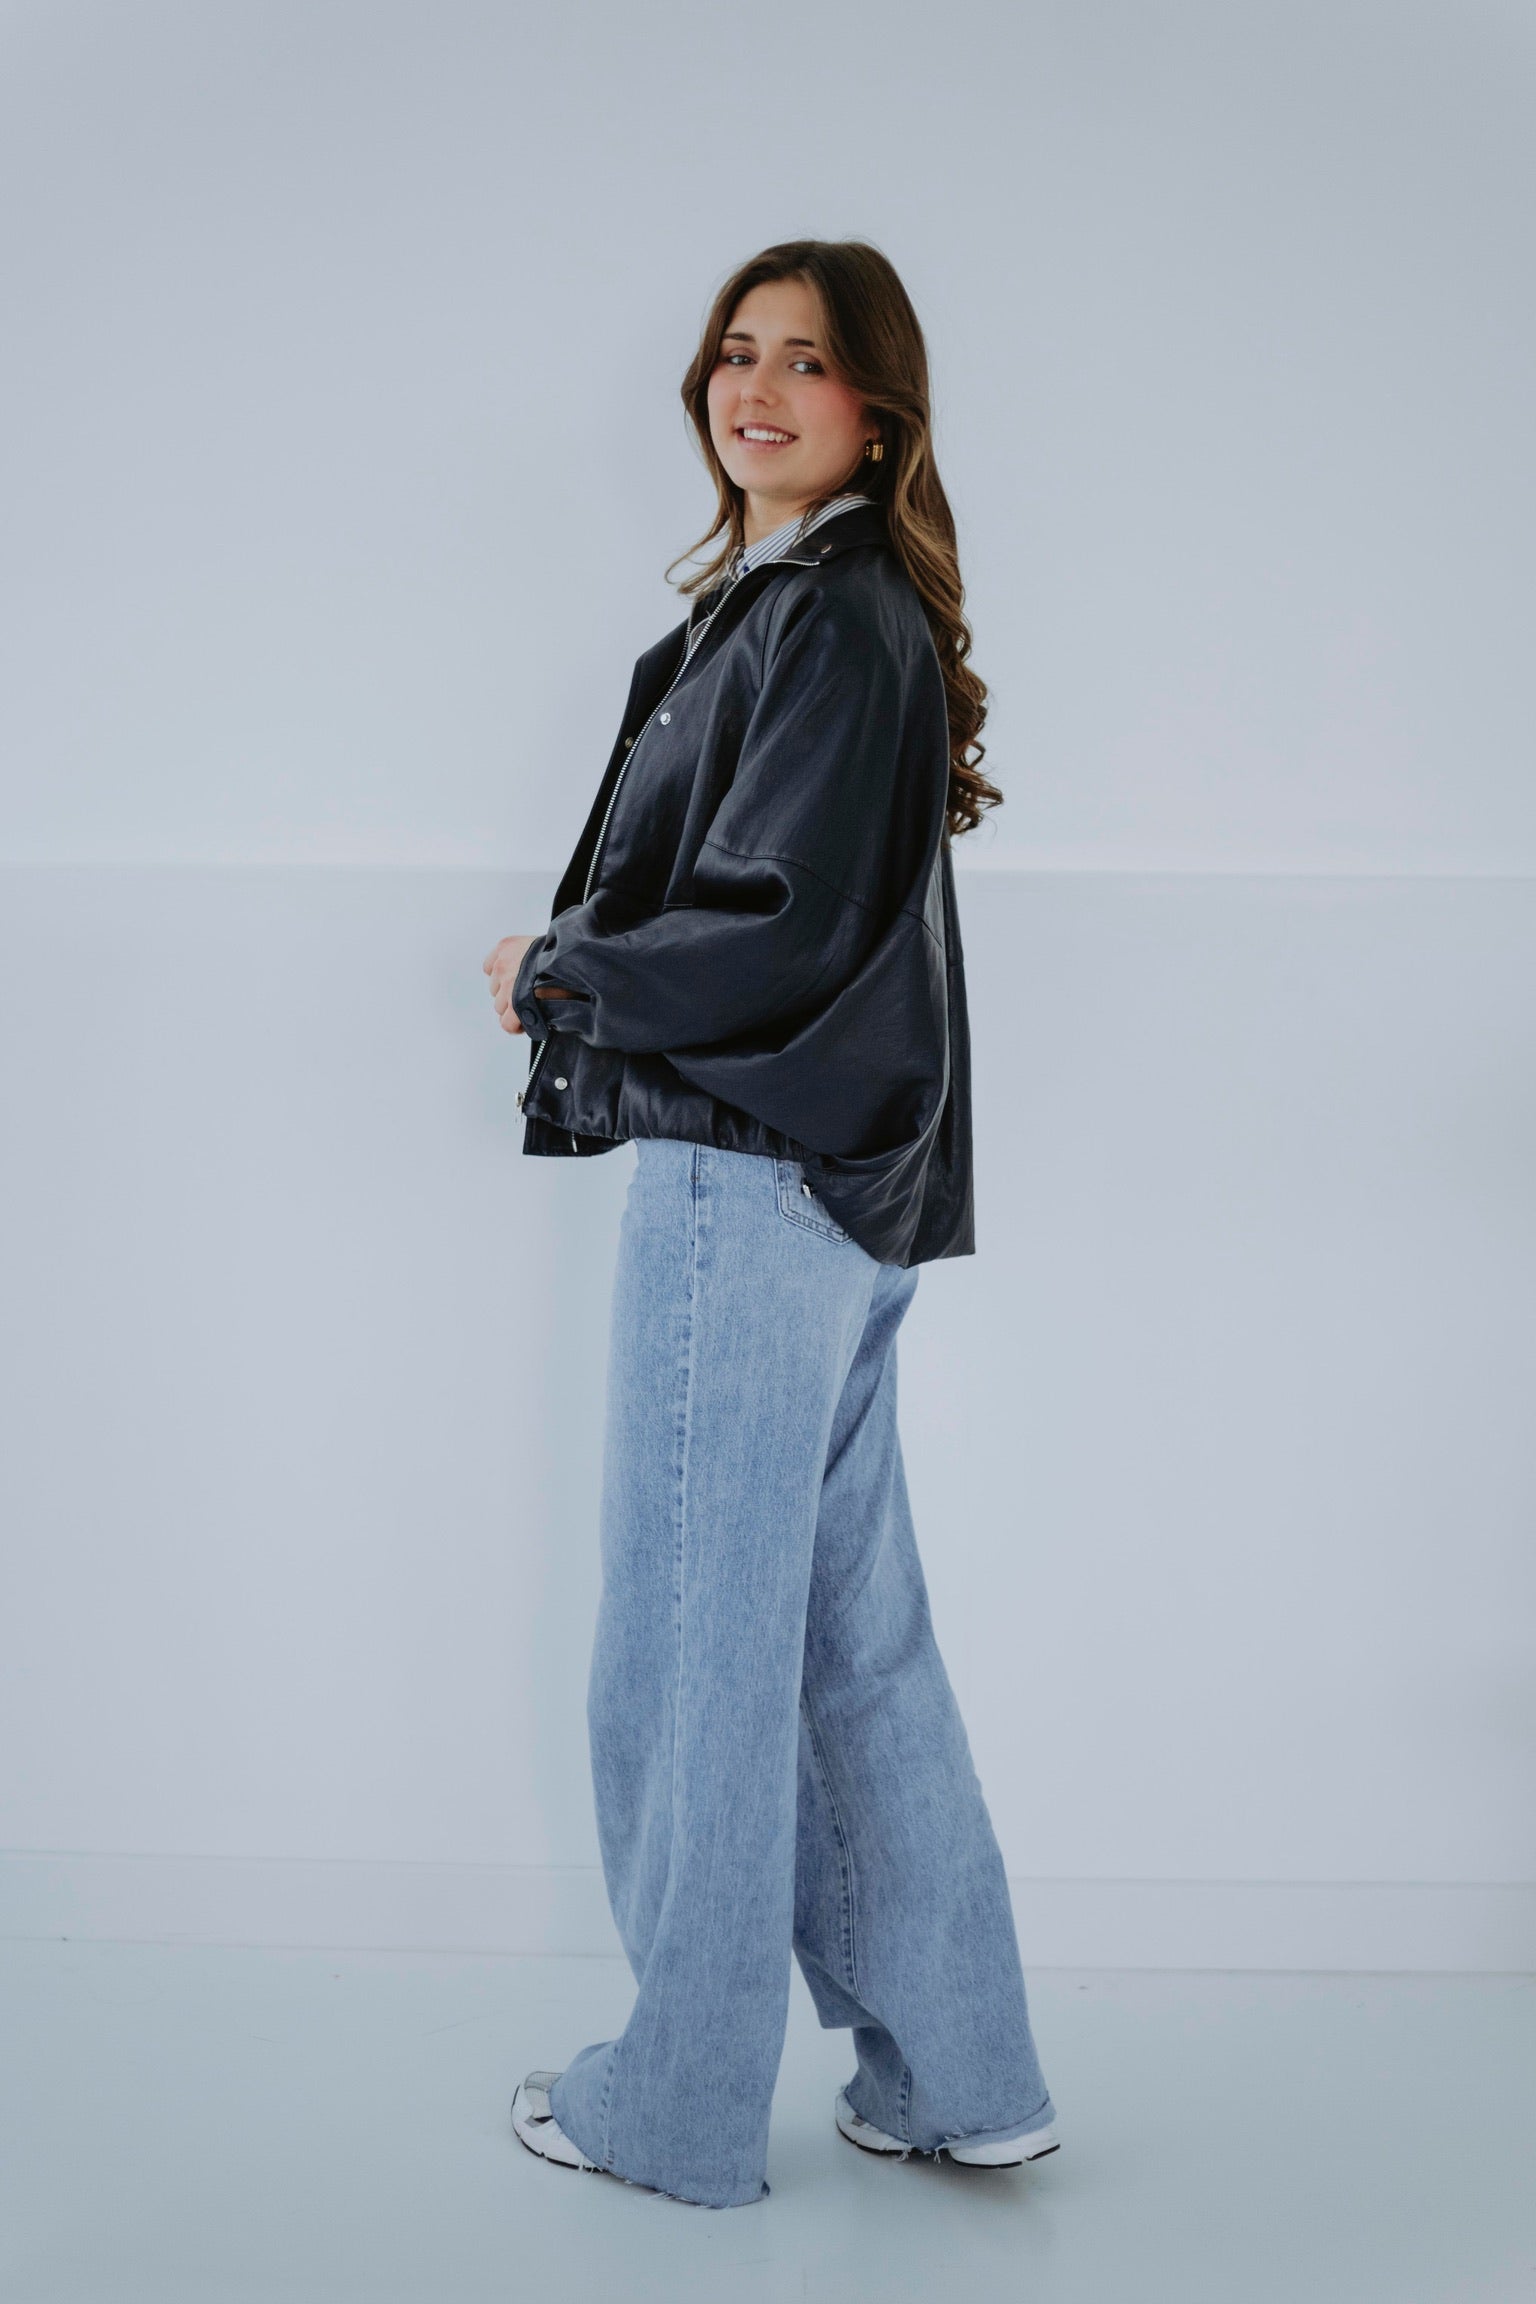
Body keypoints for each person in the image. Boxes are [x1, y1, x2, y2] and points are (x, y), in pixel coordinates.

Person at [483, 238, 1058, 2210]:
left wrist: (566, 973)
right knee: (846, 1646)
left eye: (805, 362)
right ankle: (962, 2075)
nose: (757, 389)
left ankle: (675, 2101)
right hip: (840, 1188)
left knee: (690, 1650)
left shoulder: (823, 615)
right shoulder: (833, 605)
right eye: (737, 353)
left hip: (751, 1176)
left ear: (877, 411)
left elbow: (778, 923)